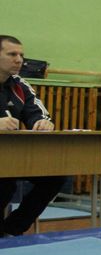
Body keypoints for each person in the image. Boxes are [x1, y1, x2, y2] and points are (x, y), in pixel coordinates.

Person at [0, 35, 66, 236]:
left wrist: (43, 122)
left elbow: (37, 112)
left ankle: (13, 228)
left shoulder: (20, 85)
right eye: (12, 54)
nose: (19, 60)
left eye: (21, 55)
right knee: (5, 184)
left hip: (11, 157)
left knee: (55, 177)